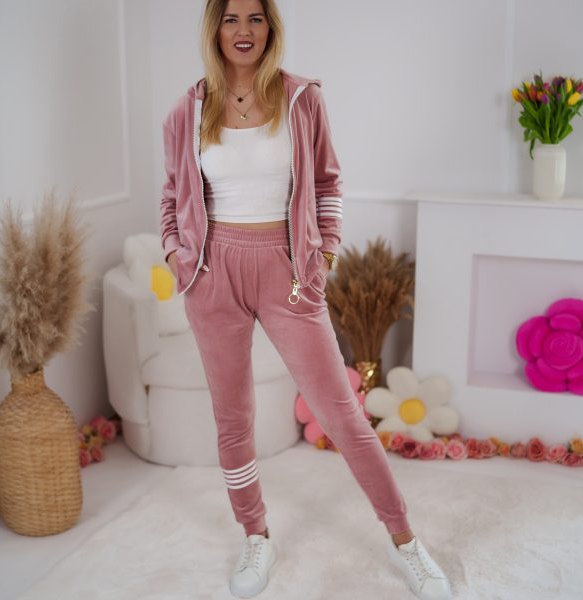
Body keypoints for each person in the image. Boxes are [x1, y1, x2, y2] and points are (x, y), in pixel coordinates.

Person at [160, 1, 452, 598]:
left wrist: (326, 254)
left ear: (271, 27)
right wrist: (176, 256)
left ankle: (406, 542)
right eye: (231, 19)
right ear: (215, 28)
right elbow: (171, 197)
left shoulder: (301, 98)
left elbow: (326, 182)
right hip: (213, 273)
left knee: (343, 413)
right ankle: (256, 537)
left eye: (255, 18)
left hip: (288, 269)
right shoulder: (188, 109)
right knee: (232, 417)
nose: (244, 31)